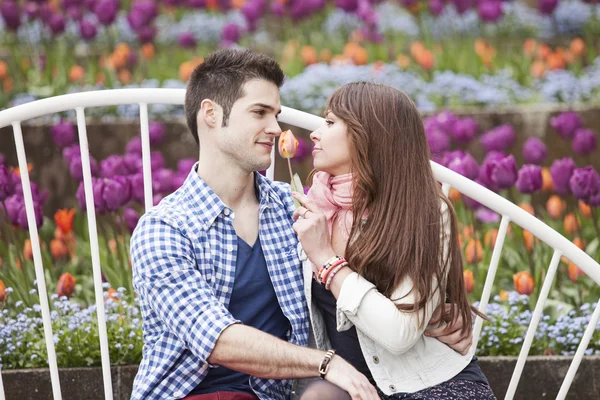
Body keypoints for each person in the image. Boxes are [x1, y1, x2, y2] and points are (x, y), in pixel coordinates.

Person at [130, 49, 471, 400]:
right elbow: (218, 340)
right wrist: (326, 364)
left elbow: (370, 261)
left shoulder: (296, 210)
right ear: (211, 114)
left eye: (276, 114)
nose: (276, 129)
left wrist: (431, 317)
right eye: (260, 113)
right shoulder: (164, 230)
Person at [291, 82, 495, 400]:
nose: (315, 133)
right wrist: (429, 317)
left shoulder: (424, 209)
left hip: (429, 383)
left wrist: (328, 261)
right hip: (352, 385)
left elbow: (399, 333)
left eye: (330, 122)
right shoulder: (312, 208)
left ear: (368, 135)